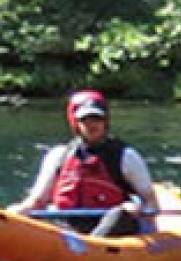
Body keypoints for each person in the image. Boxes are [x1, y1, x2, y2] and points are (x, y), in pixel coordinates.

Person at [9, 90, 161, 238]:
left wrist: (137, 209)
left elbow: (151, 202)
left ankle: (91, 248)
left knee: (119, 214)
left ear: (105, 121)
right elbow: (37, 201)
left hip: (110, 227)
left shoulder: (126, 156)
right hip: (66, 225)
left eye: (97, 119)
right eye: (85, 120)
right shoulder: (59, 155)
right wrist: (15, 214)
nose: (92, 124)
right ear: (75, 122)